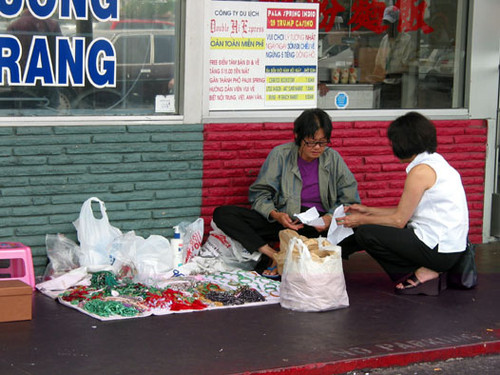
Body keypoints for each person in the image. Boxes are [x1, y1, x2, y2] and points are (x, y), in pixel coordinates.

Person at [213, 108, 360, 278]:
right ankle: (274, 255)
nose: (318, 148)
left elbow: (350, 200)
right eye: (311, 142)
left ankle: (297, 252)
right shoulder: (280, 155)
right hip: (285, 221)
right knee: (223, 214)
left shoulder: (333, 158)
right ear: (298, 136)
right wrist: (276, 215)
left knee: (363, 231)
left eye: (323, 142)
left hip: (318, 226)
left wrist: (329, 217)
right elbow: (259, 194)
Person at [337, 112, 468, 296]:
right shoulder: (437, 162)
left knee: (366, 233)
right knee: (364, 227)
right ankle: (330, 254)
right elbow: (406, 212)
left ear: (404, 143)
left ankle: (419, 273)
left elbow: (399, 220)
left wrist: (362, 220)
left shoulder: (420, 171)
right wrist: (367, 211)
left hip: (440, 251)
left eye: (393, 143)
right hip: (449, 247)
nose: (392, 147)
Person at [7, 7, 62, 109]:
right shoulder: (52, 24)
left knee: (23, 113)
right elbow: (59, 55)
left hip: (22, 81)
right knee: (50, 114)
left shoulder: (14, 26)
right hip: (48, 80)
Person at [368, 6, 415, 108]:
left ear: (398, 23)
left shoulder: (406, 40)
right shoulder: (384, 40)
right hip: (384, 86)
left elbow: (406, 67)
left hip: (400, 87)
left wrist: (389, 73)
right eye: (386, 23)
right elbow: (378, 65)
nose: (387, 27)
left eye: (390, 24)